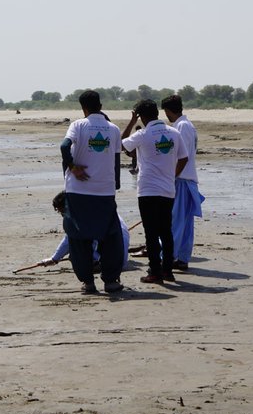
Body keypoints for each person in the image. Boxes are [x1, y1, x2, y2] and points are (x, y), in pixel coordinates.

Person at [60, 90, 124, 294]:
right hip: (104, 192)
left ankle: (88, 282)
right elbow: (116, 161)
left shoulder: (78, 125)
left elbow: (64, 146)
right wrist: (114, 186)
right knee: (110, 236)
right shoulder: (113, 129)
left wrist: (73, 167)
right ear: (101, 106)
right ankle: (111, 281)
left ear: (83, 108)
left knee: (78, 237)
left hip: (78, 192)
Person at [122, 99, 189, 284]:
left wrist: (131, 122)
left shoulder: (142, 134)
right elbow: (184, 158)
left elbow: (121, 145)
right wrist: (173, 176)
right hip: (168, 189)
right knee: (166, 231)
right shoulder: (174, 132)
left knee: (151, 233)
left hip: (148, 190)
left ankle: (155, 271)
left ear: (141, 116)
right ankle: (167, 271)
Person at [162, 95, 205, 272]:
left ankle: (170, 258)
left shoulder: (182, 126)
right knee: (184, 223)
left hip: (182, 180)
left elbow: (182, 157)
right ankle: (181, 258)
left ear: (168, 111)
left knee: (176, 222)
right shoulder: (185, 125)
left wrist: (171, 177)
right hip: (186, 179)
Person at [38, 191, 130, 273]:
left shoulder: (81, 217)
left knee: (76, 250)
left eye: (63, 211)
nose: (63, 215)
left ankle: (95, 266)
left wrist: (54, 259)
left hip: (112, 263)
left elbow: (68, 240)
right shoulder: (100, 208)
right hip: (121, 259)